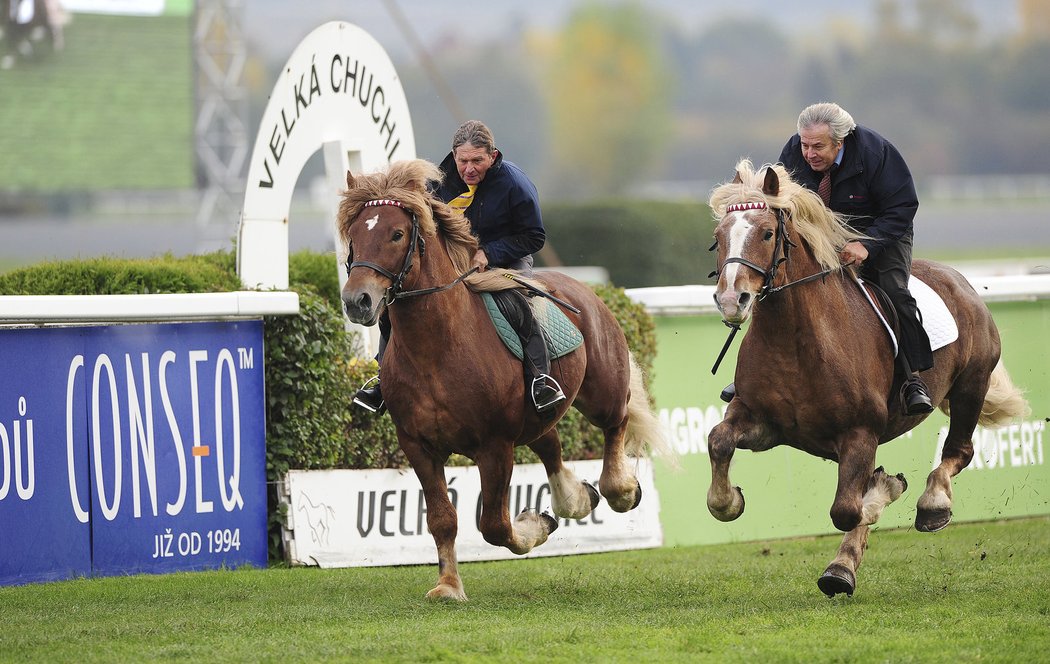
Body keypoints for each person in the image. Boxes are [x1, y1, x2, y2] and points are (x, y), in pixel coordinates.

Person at [721, 102, 934, 416]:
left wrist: (866, 246)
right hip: (821, 231)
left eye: (818, 146)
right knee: (778, 287)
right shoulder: (793, 151)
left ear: (841, 141)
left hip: (880, 231)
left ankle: (912, 378)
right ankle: (750, 377)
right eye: (805, 145)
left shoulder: (877, 154)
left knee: (895, 291)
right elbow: (779, 205)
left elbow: (902, 207)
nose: (809, 154)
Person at [353, 120, 566, 414]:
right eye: (463, 160)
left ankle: (540, 380)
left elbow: (534, 236)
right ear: (454, 156)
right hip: (455, 261)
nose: (469, 169)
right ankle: (381, 380)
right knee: (394, 306)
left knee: (517, 303)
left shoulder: (515, 184)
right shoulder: (435, 185)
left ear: (493, 156)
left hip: (507, 259)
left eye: (477, 161)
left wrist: (488, 252)